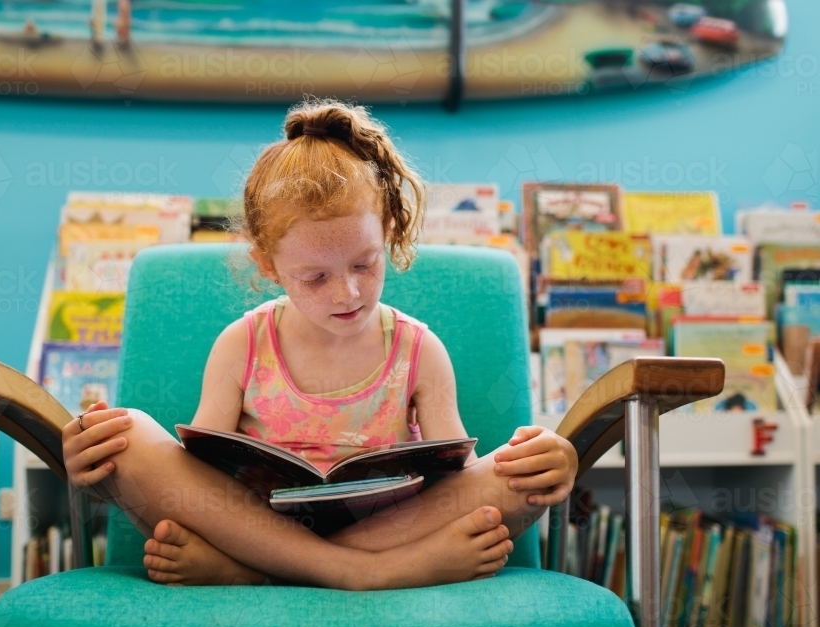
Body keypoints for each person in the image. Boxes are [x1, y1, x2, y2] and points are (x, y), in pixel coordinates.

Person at [61, 99, 578, 590]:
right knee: (123, 436)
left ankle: (258, 576)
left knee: (520, 473)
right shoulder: (243, 343)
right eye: (315, 278)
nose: (347, 292)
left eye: (364, 263)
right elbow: (203, 479)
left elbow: (458, 480)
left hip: (384, 525)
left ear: (389, 230)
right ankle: (372, 573)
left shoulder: (419, 349)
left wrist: (549, 459)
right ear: (268, 265)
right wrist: (99, 460)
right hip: (262, 527)